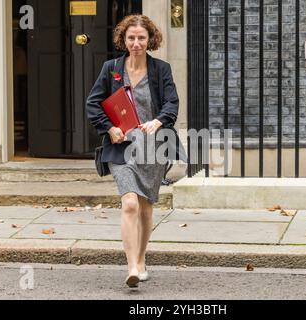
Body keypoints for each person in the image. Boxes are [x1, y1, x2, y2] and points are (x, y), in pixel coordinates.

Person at [86, 14, 187, 288]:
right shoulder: (111, 69)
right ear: (124, 39)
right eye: (131, 37)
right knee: (129, 202)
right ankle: (131, 266)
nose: (136, 43)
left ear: (150, 39)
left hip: (154, 148)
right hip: (122, 147)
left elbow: (172, 103)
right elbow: (93, 104)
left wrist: (158, 121)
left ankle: (141, 259)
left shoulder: (161, 69)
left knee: (145, 207)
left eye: (141, 38)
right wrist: (109, 128)